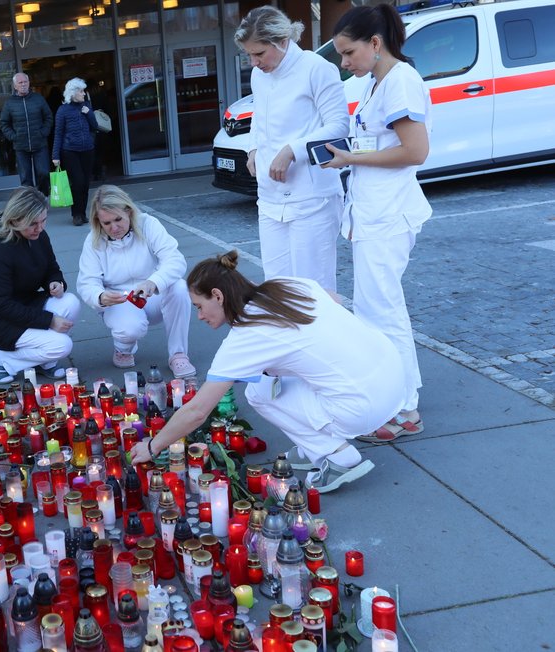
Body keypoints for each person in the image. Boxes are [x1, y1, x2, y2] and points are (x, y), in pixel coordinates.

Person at [130, 251, 406, 493]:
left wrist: (154, 445)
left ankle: (336, 456)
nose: (200, 316)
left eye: (200, 307)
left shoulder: (249, 333)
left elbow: (198, 410)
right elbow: (333, 301)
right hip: (393, 374)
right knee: (273, 375)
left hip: (365, 405)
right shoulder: (286, 285)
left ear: (218, 295)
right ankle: (314, 445)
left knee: (259, 393)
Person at [321, 4, 431, 442]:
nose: (345, 63)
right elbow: (381, 141)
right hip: (373, 212)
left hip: (387, 214)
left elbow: (415, 151)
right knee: (377, 309)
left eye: (348, 53)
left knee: (383, 311)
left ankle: (404, 409)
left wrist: (353, 157)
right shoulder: (377, 83)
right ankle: (399, 403)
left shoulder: (399, 81)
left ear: (374, 43)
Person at [237, 7, 348, 292]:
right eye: (249, 55)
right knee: (278, 289)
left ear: (282, 41)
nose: (254, 62)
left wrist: (292, 150)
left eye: (259, 53)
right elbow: (258, 120)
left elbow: (338, 126)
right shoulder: (259, 77)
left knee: (314, 289)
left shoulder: (317, 68)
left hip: (312, 197)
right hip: (270, 198)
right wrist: (252, 150)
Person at [76, 185, 196, 378]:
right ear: (98, 221)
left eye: (118, 219)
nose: (114, 228)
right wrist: (100, 296)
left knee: (179, 287)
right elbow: (86, 281)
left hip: (151, 293)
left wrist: (154, 281)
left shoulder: (148, 224)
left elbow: (175, 259)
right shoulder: (93, 240)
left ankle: (178, 354)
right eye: (106, 223)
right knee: (130, 329)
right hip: (120, 299)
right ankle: (124, 347)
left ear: (129, 212)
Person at [0, 186, 81, 384]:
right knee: (62, 346)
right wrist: (48, 321)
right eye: (33, 223)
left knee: (70, 302)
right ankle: (0, 358)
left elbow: (51, 268)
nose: (39, 228)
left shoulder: (38, 235)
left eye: (43, 220)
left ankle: (43, 361)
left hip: (24, 303)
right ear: (15, 220)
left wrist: (55, 282)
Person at [52, 77, 98, 226]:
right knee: (77, 182)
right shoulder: (63, 110)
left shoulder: (86, 106)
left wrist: (89, 113)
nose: (84, 94)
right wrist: (55, 155)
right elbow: (58, 133)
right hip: (70, 151)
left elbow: (95, 126)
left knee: (85, 184)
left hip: (87, 150)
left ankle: (83, 214)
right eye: (81, 91)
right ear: (72, 93)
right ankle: (76, 214)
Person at [0, 72, 54, 195]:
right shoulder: (9, 103)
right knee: (25, 179)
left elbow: (48, 117)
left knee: (44, 173)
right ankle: (30, 204)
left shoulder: (38, 98)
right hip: (21, 146)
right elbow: (4, 123)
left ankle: (42, 198)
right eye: (20, 82)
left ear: (29, 83)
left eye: (25, 82)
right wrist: (14, 137)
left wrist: (43, 132)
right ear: (15, 86)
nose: (23, 84)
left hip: (39, 143)